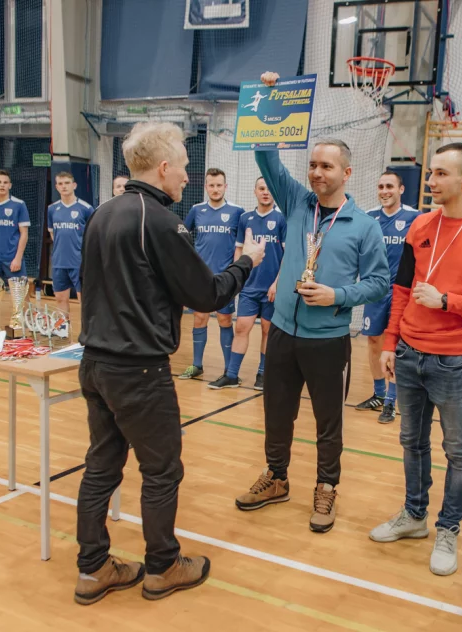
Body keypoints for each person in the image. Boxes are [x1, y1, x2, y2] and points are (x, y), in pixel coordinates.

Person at [74, 121, 266, 605]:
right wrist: (248, 263)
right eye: (183, 166)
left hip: (95, 362)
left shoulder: (102, 212)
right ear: (163, 168)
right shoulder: (160, 220)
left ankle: (93, 567)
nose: (187, 176)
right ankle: (162, 566)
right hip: (138, 370)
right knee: (162, 470)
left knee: (101, 466)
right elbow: (206, 292)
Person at [234, 70, 390, 534]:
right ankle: (277, 478)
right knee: (276, 412)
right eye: (314, 165)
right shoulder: (297, 203)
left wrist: (337, 296)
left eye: (327, 167)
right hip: (282, 331)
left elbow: (379, 282)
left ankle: (326, 488)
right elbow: (266, 156)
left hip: (328, 340)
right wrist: (270, 98)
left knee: (328, 423)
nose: (317, 173)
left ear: (346, 172)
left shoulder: (363, 225)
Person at [368, 143, 462, 576]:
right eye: (431, 173)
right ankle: (414, 516)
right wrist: (389, 342)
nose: (430, 182)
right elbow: (401, 289)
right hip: (410, 353)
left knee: (457, 450)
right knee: (411, 442)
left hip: (455, 360)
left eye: (439, 174)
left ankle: (448, 528)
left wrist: (448, 301)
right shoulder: (420, 224)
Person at [353, 171, 419, 423]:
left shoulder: (415, 218)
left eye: (390, 186)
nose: (384, 191)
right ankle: (379, 394)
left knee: (397, 346)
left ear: (401, 189)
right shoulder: (369, 218)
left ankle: (392, 401)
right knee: (373, 341)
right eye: (381, 186)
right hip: (375, 290)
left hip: (402, 292)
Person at [209, 176, 285, 390]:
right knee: (242, 327)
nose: (265, 192)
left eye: (269, 189)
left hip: (271, 289)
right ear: (255, 191)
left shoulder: (281, 219)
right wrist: (237, 278)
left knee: (268, 331)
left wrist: (277, 283)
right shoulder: (245, 218)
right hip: (250, 287)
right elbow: (240, 250)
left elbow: (288, 256)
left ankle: (262, 374)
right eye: (261, 188)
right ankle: (232, 375)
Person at [178, 168, 245, 381]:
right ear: (206, 187)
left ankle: (228, 370)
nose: (215, 189)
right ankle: (197, 365)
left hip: (224, 278)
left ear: (225, 186)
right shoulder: (196, 210)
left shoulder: (237, 212)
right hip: (200, 277)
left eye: (219, 185)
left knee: (225, 320)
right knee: (199, 319)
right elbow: (181, 235)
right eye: (211, 185)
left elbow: (241, 244)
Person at [47, 171, 94, 336]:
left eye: (67, 183)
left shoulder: (86, 208)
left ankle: (88, 335)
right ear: (56, 186)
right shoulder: (52, 209)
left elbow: (92, 236)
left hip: (79, 263)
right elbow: (52, 233)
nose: (63, 186)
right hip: (59, 262)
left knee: (85, 301)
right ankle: (62, 332)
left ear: (74, 185)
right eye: (60, 183)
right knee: (60, 299)